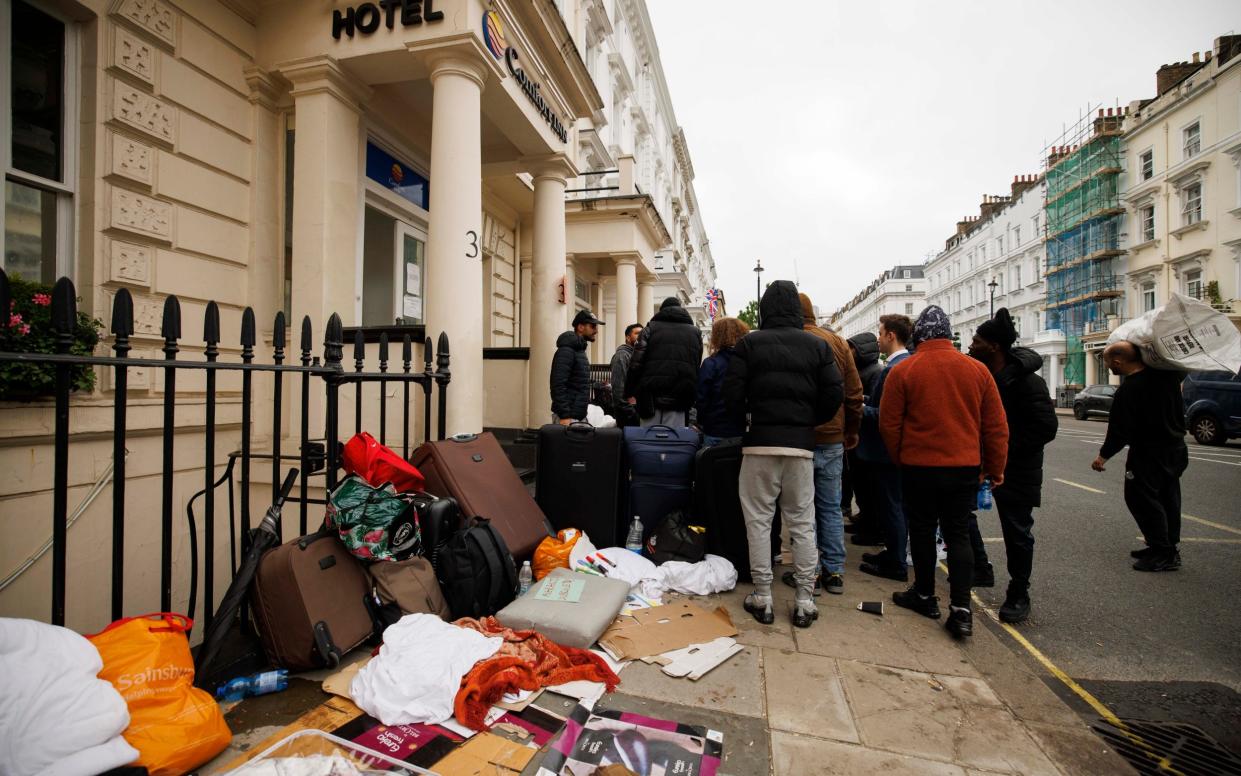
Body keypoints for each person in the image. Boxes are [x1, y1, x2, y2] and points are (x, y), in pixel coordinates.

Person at [880, 305, 1008, 639]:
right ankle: (961, 609)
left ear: (919, 334)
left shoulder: (904, 371)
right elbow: (995, 426)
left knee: (921, 530)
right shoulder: (977, 370)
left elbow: (889, 425)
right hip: (964, 466)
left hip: (918, 466)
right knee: (958, 534)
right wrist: (994, 468)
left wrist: (901, 457)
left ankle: (924, 594)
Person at [724, 280, 844, 629]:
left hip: (759, 442)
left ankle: (763, 594)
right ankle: (805, 599)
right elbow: (832, 395)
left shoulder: (749, 344)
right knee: (803, 523)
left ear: (764, 308)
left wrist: (747, 421)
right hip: (800, 447)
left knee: (759, 521)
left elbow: (731, 393)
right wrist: (807, 422)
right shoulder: (817, 346)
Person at [965, 309, 1058, 622]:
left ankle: (1019, 592)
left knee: (1017, 532)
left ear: (993, 346)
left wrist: (1001, 449)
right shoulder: (981, 376)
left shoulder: (1028, 383)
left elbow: (1046, 428)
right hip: (981, 465)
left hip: (1017, 471)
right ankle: (980, 568)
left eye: (976, 340)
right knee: (962, 513)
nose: (970, 344)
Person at [777, 293, 862, 596]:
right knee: (830, 507)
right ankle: (835, 571)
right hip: (833, 437)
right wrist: (851, 429)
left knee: (803, 510)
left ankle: (810, 572)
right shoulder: (838, 342)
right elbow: (854, 393)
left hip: (801, 438)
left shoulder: (791, 341)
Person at [1091, 340, 1188, 572]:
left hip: (1148, 453)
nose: (1108, 367)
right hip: (1176, 450)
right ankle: (1166, 547)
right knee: (1168, 497)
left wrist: (1103, 456)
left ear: (1117, 361)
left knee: (1140, 498)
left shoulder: (1130, 389)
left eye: (1107, 363)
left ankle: (1162, 552)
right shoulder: (1167, 379)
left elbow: (1120, 429)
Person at [858, 313, 914, 582]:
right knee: (895, 506)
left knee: (892, 507)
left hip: (885, 451)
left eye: (880, 333)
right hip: (891, 451)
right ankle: (893, 553)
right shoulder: (900, 364)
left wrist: (861, 408)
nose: (878, 339)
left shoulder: (895, 367)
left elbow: (886, 414)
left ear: (891, 335)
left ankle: (895, 562)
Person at [624, 297, 704, 428]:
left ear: (662, 311)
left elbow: (636, 363)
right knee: (673, 440)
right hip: (680, 396)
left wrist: (629, 392)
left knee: (648, 439)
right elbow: (696, 365)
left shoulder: (650, 329)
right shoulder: (695, 333)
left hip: (650, 398)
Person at [844, 332, 884, 546]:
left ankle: (873, 528)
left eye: (851, 348)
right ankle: (864, 520)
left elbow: (878, 406)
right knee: (859, 482)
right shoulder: (860, 370)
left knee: (870, 486)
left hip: (867, 437)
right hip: (858, 435)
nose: (848, 352)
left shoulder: (876, 371)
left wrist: (858, 403)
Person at [696, 317, 749, 446]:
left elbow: (702, 398)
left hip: (714, 429)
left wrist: (702, 421)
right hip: (739, 430)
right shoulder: (747, 362)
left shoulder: (710, 364)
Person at [550, 310, 604, 425]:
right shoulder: (567, 350)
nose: (596, 331)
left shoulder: (578, 349)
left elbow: (577, 382)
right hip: (568, 418)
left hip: (577, 416)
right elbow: (558, 385)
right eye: (593, 326)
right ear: (580, 327)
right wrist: (565, 416)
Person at [610, 323, 643, 426]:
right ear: (628, 338)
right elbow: (618, 392)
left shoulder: (636, 355)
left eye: (642, 333)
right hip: (628, 416)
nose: (641, 336)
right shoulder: (622, 356)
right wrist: (634, 415)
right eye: (637, 333)